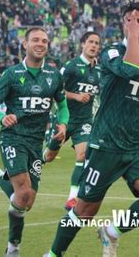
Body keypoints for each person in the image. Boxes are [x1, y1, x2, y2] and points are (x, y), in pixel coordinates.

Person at [44, 0, 139, 257]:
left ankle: (111, 232)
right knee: (84, 211)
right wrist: (133, 35)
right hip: (105, 145)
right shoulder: (111, 53)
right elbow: (130, 67)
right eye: (128, 20)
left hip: (136, 147)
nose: (133, 24)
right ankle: (54, 254)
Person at [0, 27, 69, 257]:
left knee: (27, 200)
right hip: (13, 137)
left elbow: (63, 106)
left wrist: (63, 125)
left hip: (36, 143)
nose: (41, 43)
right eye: (35, 39)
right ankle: (13, 249)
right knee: (23, 193)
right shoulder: (12, 74)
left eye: (44, 41)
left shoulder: (54, 76)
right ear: (25, 45)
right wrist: (2, 118)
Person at [45, 31, 101, 211]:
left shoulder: (99, 70)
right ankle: (20, 170)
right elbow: (55, 91)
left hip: (84, 120)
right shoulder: (71, 67)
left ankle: (72, 198)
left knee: (83, 155)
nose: (94, 46)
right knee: (48, 157)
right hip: (64, 119)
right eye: (90, 42)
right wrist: (76, 96)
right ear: (83, 45)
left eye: (97, 43)